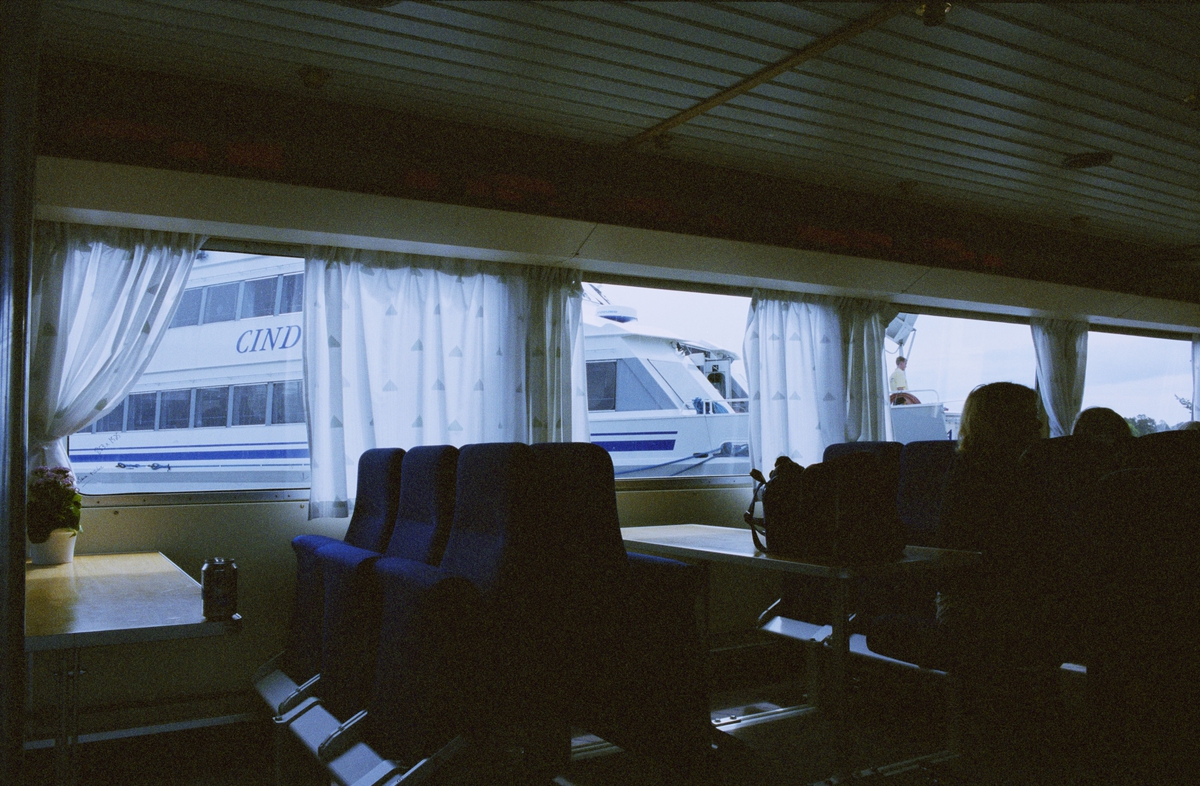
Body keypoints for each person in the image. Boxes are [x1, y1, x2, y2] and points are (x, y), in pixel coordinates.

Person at [935, 382, 1050, 761]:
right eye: (1028, 415)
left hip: (974, 599)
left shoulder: (971, 469)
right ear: (1004, 422)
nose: (1038, 423)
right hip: (982, 604)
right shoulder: (996, 477)